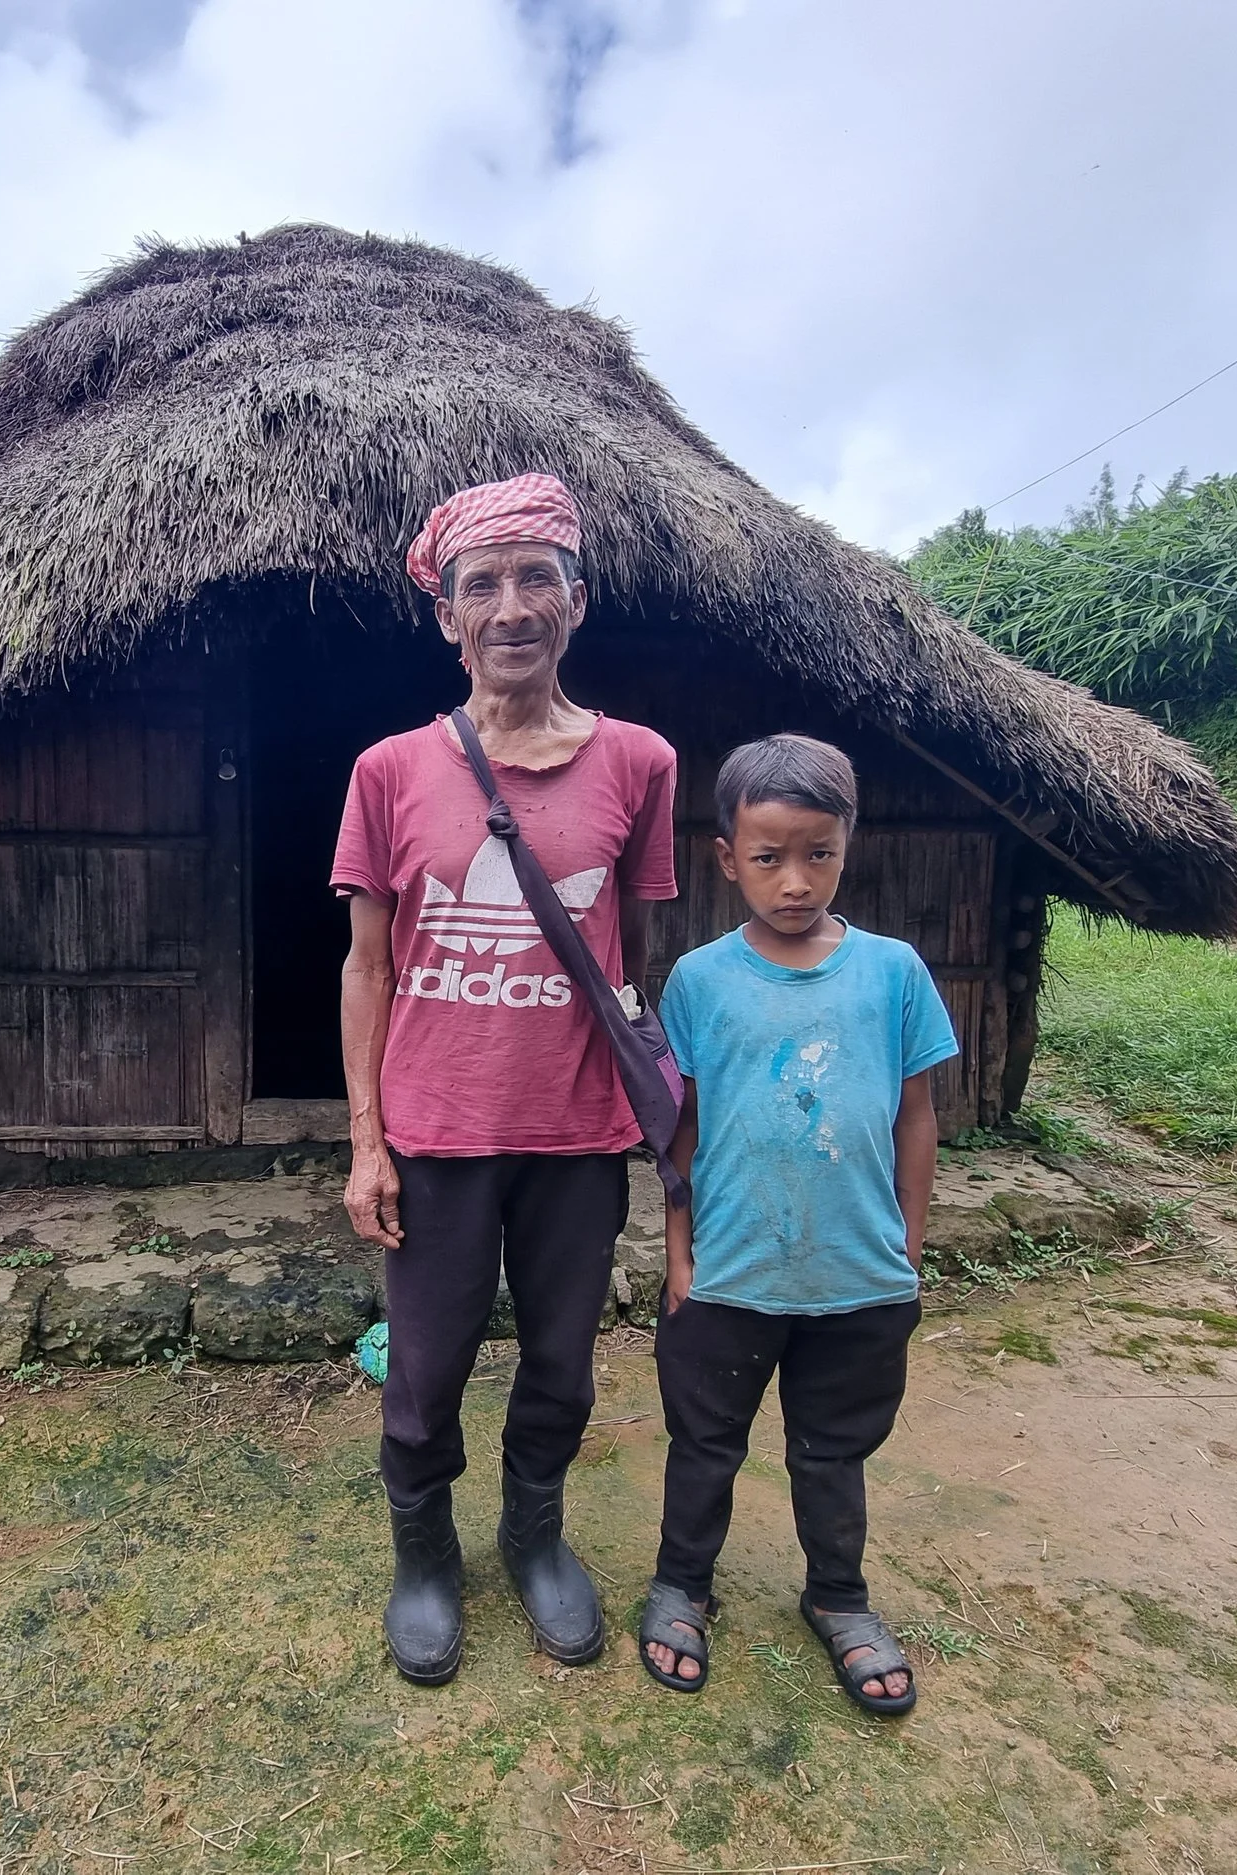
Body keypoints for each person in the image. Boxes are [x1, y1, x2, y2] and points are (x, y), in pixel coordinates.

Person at [332, 473, 678, 1685]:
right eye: (483, 584)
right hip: (435, 1129)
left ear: (577, 603)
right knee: (422, 1374)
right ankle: (423, 1557)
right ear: (446, 614)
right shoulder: (388, 770)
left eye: (539, 578)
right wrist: (368, 1141)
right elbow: (367, 970)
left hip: (576, 1135)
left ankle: (534, 1537)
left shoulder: (641, 764)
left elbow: (634, 956)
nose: (512, 606)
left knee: (563, 1361)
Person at [637, 735, 954, 1713]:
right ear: (725, 856)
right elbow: (678, 1128)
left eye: (817, 853)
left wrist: (907, 1242)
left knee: (832, 1450)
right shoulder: (697, 980)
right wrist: (678, 1251)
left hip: (857, 1275)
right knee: (705, 1446)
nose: (794, 880)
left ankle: (838, 1597)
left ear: (847, 846)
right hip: (729, 1271)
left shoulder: (892, 972)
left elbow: (916, 1114)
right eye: (768, 856)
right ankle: (681, 1585)